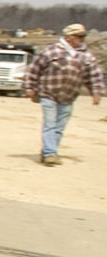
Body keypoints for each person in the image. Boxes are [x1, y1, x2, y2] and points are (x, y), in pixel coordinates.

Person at [24, 22, 103, 165]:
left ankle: (49, 150)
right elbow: (34, 69)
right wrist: (29, 87)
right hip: (49, 93)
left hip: (68, 97)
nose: (81, 39)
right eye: (78, 36)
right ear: (68, 37)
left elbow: (94, 76)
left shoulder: (86, 56)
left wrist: (96, 93)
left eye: (83, 36)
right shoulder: (51, 51)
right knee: (50, 124)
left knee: (59, 127)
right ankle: (50, 153)